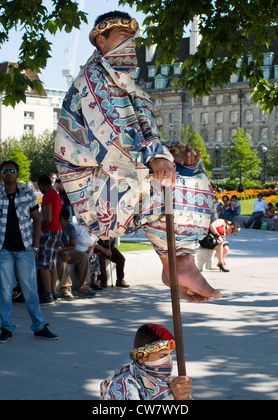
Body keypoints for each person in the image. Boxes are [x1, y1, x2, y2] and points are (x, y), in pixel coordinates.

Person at [54, 10, 221, 303]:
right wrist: (155, 159)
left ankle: (177, 264)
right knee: (171, 184)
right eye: (122, 37)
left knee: (192, 174)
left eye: (132, 38)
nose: (130, 44)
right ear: (100, 41)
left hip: (122, 175)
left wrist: (172, 153)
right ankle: (180, 266)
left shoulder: (135, 92)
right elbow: (109, 135)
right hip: (94, 184)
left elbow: (147, 140)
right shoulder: (92, 78)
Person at [0, 161, 58, 342]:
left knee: (30, 289)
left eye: (12, 171)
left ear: (17, 174)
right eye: (5, 171)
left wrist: (35, 247)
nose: (8, 173)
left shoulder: (27, 193)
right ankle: (6, 328)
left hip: (25, 249)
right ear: (1, 175)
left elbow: (37, 219)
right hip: (2, 249)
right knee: (5, 290)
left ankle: (39, 326)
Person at [100, 323, 191, 400]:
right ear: (141, 357)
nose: (169, 361)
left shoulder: (159, 379)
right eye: (162, 356)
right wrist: (169, 395)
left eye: (170, 354)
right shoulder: (123, 385)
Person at [57, 208, 96, 299]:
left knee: (83, 257)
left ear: (66, 220)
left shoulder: (70, 228)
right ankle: (65, 289)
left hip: (67, 250)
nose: (58, 221)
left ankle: (84, 288)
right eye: (57, 219)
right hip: (55, 252)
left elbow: (73, 246)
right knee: (62, 260)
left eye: (60, 219)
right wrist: (61, 251)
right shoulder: (54, 226)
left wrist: (63, 249)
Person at [37, 174, 62, 305]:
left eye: (39, 187)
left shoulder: (47, 196)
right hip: (57, 230)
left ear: (42, 185)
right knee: (52, 263)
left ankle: (47, 294)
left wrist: (36, 226)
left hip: (49, 231)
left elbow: (47, 218)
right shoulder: (56, 194)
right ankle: (53, 292)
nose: (39, 189)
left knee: (43, 264)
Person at [75, 223, 102, 290]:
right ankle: (85, 285)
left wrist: (90, 253)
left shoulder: (95, 234)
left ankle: (94, 282)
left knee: (95, 257)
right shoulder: (80, 229)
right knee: (86, 262)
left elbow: (93, 245)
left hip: (87, 251)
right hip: (78, 251)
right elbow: (72, 238)